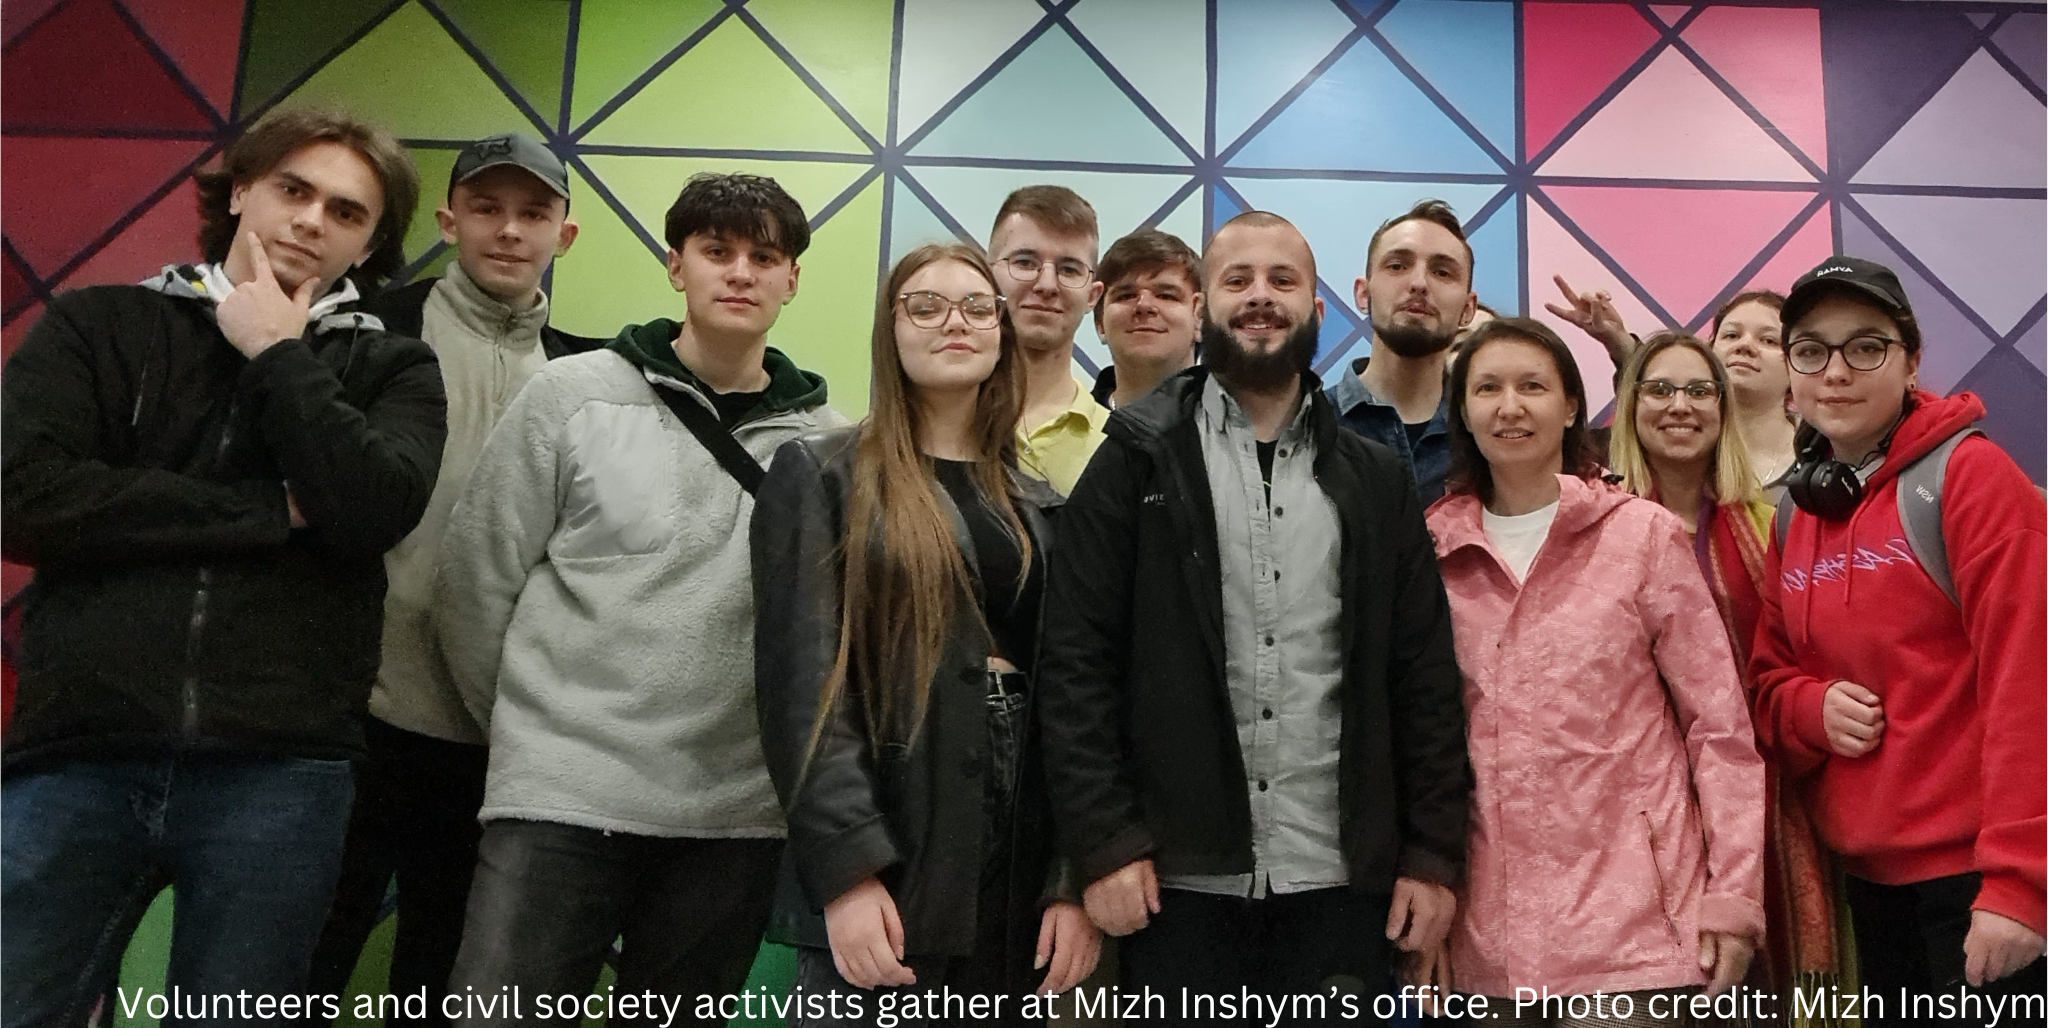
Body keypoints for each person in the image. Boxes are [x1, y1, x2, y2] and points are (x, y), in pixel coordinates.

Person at [1, 107, 442, 1025]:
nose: (312, 220)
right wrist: (260, 512)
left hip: (280, 774)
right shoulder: (100, 324)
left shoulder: (393, 369)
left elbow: (369, 511)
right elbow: (22, 496)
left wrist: (276, 350)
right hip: (83, 751)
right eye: (293, 189)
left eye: (348, 212)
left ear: (368, 247)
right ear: (240, 190)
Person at [1038, 211, 1471, 1022]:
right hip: (1175, 882)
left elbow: (1424, 677)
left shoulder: (1375, 479)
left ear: (1318, 308)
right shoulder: (1133, 457)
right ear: (1205, 306)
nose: (1260, 298)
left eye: (1283, 282)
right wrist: (1104, 842)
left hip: (1344, 882)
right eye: (1237, 281)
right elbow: (1075, 666)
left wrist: (1433, 854)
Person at [435, 172, 845, 1024]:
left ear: (792, 279)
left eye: (764, 257)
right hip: (560, 802)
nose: (740, 272)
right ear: (676, 264)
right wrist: (535, 735)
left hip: (734, 819)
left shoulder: (834, 444)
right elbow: (476, 586)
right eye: (716, 251)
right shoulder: (571, 394)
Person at [753, 242, 1099, 1024]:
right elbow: (801, 688)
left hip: (1023, 854)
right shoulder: (821, 474)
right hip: (893, 836)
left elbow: (1078, 703)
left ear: (1003, 331)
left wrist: (1072, 881)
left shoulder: (1038, 500)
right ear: (891, 328)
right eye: (926, 304)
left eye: (979, 306)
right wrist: (847, 872)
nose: (956, 322)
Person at [305, 131, 598, 1023]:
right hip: (346, 718)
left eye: (533, 213)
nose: (509, 231)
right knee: (298, 966)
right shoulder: (362, 335)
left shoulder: (594, 378)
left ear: (565, 234)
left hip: (496, 743)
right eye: (486, 208)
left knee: (436, 978)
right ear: (448, 219)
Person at [1422, 317, 1765, 1026]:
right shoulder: (1433, 547)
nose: (1509, 406)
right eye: (1487, 388)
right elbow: (1412, 740)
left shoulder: (1639, 534)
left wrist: (1734, 894)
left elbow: (1720, 728)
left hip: (1640, 932)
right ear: (1462, 410)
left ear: (1572, 405)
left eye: (1532, 386)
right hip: (1489, 943)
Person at [1750, 257, 2046, 1023]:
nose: (1836, 371)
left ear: (1912, 360)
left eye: (1866, 347)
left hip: (1982, 887)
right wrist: (1810, 712)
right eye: (1812, 350)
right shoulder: (1797, 513)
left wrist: (2022, 887)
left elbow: (2031, 682)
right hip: (1868, 884)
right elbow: (1768, 680)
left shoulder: (1971, 479)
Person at [1609, 331, 1852, 1023]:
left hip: (1769, 804)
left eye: (1697, 390)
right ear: (1629, 406)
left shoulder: (1771, 526)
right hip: (1634, 814)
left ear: (1723, 408)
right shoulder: (1592, 525)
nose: (1678, 405)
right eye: (1658, 389)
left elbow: (1802, 663)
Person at [1548, 278, 1797, 492]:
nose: (1744, 346)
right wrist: (1621, 346)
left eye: (1768, 340)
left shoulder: (1822, 449)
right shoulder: (1675, 437)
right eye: (1731, 335)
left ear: (1799, 361)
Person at [1327, 200, 1480, 505]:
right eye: (1397, 266)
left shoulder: (1487, 430)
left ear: (1468, 309)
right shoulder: (1309, 423)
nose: (1419, 283)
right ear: (1363, 293)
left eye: (1443, 272)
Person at [988, 185, 1109, 495]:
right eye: (1025, 262)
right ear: (987, 276)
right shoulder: (934, 425)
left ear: (1093, 296)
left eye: (1069, 269)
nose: (1046, 285)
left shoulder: (1116, 445)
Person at [1087, 228, 1200, 410]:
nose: (1144, 305)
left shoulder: (1242, 429)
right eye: (1125, 295)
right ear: (1100, 325)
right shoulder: (1065, 433)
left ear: (1200, 320)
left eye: (1165, 295)